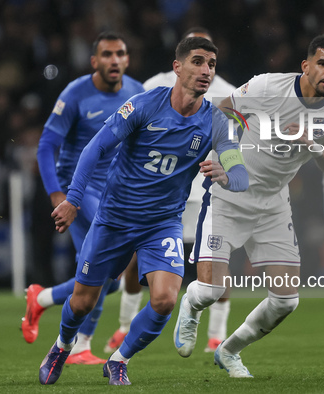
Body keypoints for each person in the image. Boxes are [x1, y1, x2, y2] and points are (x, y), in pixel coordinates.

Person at [38, 36, 248, 386]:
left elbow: (240, 175)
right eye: (197, 61)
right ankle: (62, 345)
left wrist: (227, 174)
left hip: (162, 224)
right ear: (177, 67)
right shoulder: (143, 105)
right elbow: (95, 148)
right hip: (115, 218)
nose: (206, 70)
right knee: (82, 303)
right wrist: (73, 199)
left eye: (211, 64)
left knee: (165, 300)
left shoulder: (216, 122)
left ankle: (119, 360)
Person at [174, 34, 324, 377]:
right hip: (229, 194)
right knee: (210, 291)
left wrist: (312, 144)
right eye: (323, 63)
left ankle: (229, 351)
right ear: (306, 65)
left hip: (273, 204)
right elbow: (219, 111)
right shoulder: (268, 87)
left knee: (286, 300)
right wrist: (225, 156)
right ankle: (191, 304)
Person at [104, 26, 237, 355]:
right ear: (182, 58)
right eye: (195, 54)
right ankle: (124, 326)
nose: (203, 65)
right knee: (137, 261)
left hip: (205, 191)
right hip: (157, 195)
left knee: (217, 262)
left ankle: (217, 334)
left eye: (208, 56)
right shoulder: (155, 85)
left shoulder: (227, 92)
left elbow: (232, 144)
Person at [21, 32, 144, 364]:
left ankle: (42, 298)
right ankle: (79, 345)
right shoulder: (75, 94)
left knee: (107, 279)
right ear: (94, 61)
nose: (114, 60)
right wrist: (57, 194)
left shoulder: (137, 92)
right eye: (106, 54)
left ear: (127, 59)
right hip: (80, 189)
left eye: (120, 53)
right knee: (105, 269)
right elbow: (47, 145)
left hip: (115, 192)